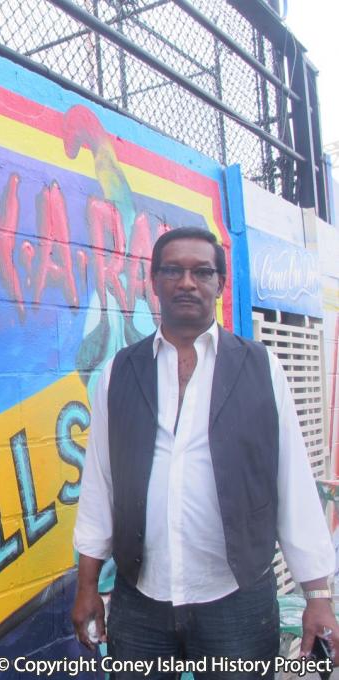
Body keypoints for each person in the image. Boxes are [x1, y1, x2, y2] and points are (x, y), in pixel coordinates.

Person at [72, 227, 338, 677]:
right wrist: (87, 586)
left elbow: (291, 482)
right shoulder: (121, 371)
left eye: (202, 271)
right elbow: (100, 483)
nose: (187, 282)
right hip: (141, 601)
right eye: (173, 270)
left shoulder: (259, 367)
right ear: (153, 281)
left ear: (220, 283)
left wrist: (318, 596)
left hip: (236, 599)